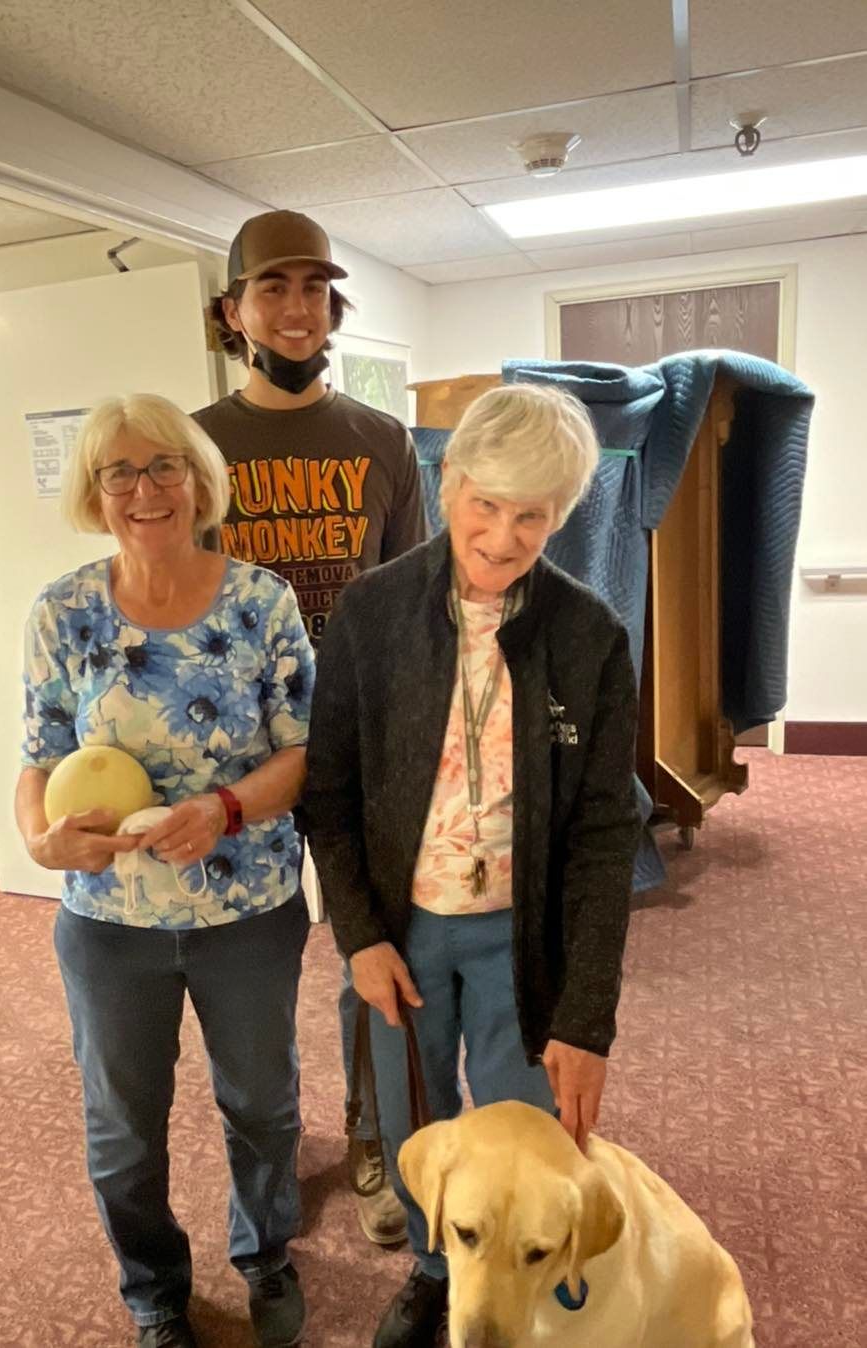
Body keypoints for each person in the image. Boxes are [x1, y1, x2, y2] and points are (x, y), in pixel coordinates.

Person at [304, 383, 641, 1348]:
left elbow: (605, 834)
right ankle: (432, 1271)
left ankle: (524, 1282)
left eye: (531, 515)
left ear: (561, 515)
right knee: (416, 1124)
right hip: (400, 933)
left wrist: (585, 1016)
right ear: (447, 483)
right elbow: (329, 794)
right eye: (484, 503)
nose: (501, 536)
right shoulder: (371, 612)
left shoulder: (589, 635)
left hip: (519, 937)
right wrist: (360, 938)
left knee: (522, 1129)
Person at [15, 394, 316, 1348]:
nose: (145, 490)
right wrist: (38, 841)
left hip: (248, 909)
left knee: (262, 1106)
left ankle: (265, 1254)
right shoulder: (62, 612)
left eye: (164, 466)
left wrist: (223, 808)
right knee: (122, 1127)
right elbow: (38, 758)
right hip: (109, 922)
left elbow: (304, 751)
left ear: (198, 479)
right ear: (94, 490)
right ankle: (153, 1291)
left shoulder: (262, 601)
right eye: (120, 472)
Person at [194, 209, 427, 1248]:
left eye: (314, 290)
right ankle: (271, 1137)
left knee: (369, 948)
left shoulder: (382, 441)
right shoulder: (196, 443)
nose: (296, 309)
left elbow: (416, 600)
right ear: (233, 310)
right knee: (251, 961)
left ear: (333, 308)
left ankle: (372, 1133)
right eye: (273, 288)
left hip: (363, 732)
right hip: (239, 745)